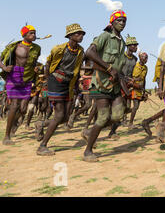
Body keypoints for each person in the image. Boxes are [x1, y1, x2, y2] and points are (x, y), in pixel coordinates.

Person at [81, 9, 128, 162]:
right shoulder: (104, 37)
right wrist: (109, 68)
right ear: (112, 23)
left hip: (114, 86)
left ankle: (92, 131)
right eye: (118, 21)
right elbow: (89, 53)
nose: (121, 23)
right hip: (101, 84)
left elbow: (119, 66)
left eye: (124, 21)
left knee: (118, 115)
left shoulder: (122, 42)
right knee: (102, 117)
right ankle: (88, 151)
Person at [35, 24, 86, 155]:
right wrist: (48, 80)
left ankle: (41, 124)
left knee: (65, 116)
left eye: (82, 34)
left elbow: (77, 69)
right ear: (70, 36)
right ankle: (42, 146)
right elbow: (48, 64)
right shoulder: (59, 49)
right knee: (58, 116)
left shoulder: (81, 51)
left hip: (69, 84)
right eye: (78, 34)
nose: (81, 36)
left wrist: (75, 86)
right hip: (56, 81)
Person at [0, 25, 41, 145]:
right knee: (14, 105)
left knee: (23, 108)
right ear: (24, 35)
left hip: (27, 77)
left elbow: (35, 62)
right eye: (31, 33)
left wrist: (37, 68)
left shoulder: (37, 48)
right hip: (14, 76)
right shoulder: (14, 46)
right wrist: (4, 67)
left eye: (34, 33)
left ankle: (14, 124)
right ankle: (7, 136)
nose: (33, 35)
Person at [107, 35, 138, 139]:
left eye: (136, 45)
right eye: (134, 45)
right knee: (119, 108)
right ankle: (111, 129)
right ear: (128, 46)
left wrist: (132, 81)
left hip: (128, 84)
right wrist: (125, 80)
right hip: (118, 84)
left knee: (124, 108)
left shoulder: (135, 59)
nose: (136, 47)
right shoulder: (121, 57)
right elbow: (118, 72)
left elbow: (133, 73)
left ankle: (112, 129)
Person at [128, 52, 149, 129]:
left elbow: (144, 79)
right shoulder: (135, 65)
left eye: (147, 58)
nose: (146, 59)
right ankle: (130, 123)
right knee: (135, 106)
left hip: (140, 89)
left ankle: (126, 118)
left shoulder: (145, 68)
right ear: (140, 58)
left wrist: (144, 90)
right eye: (144, 58)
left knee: (136, 107)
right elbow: (130, 77)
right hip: (133, 88)